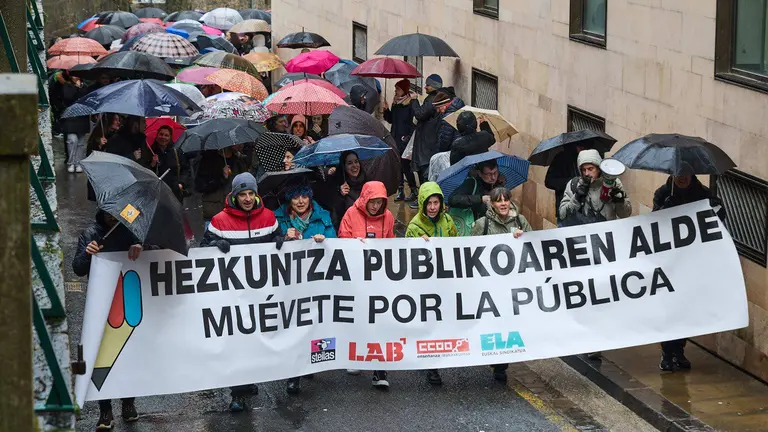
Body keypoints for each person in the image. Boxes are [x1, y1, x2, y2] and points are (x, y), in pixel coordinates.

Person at [199, 173, 283, 411]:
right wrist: (214, 245)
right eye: (242, 194)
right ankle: (236, 391)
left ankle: (247, 380)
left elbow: (276, 240)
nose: (247, 199)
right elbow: (203, 251)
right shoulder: (219, 221)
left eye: (250, 194)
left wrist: (279, 240)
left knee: (254, 336)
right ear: (234, 196)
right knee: (236, 339)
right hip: (232, 293)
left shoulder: (268, 217)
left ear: (256, 194)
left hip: (260, 292)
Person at [72, 210, 146, 430]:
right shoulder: (90, 234)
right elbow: (78, 268)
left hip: (128, 297)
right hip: (102, 303)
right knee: (102, 354)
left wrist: (142, 247)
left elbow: (155, 253)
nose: (112, 217)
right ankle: (105, 410)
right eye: (109, 213)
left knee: (128, 352)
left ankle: (128, 403)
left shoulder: (134, 232)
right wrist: (88, 253)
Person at [559, 149, 631, 360]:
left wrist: (619, 200)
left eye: (591, 168)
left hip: (605, 246)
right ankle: (583, 334)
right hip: (582, 246)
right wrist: (576, 198)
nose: (588, 172)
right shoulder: (573, 185)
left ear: (600, 168)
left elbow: (626, 212)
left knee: (601, 293)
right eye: (584, 169)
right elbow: (562, 213)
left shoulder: (613, 183)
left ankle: (597, 339)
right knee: (584, 292)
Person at [652, 173, 725, 371]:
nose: (682, 178)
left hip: (690, 262)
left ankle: (679, 350)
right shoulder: (663, 193)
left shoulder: (703, 194)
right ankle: (666, 352)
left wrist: (713, 208)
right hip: (669, 261)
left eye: (686, 174)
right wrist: (662, 209)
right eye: (679, 174)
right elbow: (652, 225)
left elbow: (719, 216)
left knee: (684, 309)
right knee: (670, 309)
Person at [274, 183, 336, 394]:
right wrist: (283, 237)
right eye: (295, 197)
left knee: (314, 325)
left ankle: (310, 362)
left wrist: (325, 241)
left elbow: (335, 244)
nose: (300, 201)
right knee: (294, 325)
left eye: (304, 196)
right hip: (289, 282)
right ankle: (295, 373)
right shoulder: (279, 219)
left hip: (316, 282)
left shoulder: (323, 216)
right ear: (288, 200)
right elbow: (268, 247)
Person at [470, 187, 530, 382]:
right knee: (493, 322)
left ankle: (501, 365)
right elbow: (470, 251)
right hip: (490, 284)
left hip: (512, 284)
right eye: (498, 200)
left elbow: (534, 245)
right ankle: (495, 358)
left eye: (506, 199)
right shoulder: (482, 224)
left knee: (507, 322)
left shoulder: (521, 221)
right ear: (492, 204)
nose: (503, 203)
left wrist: (524, 238)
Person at [338, 180, 394, 389]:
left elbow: (391, 243)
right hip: (357, 278)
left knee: (378, 322)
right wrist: (354, 246)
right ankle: (355, 358)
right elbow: (342, 239)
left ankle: (380, 370)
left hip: (379, 279)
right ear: (364, 198)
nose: (375, 206)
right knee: (358, 320)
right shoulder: (351, 214)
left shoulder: (387, 217)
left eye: (379, 202)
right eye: (372, 201)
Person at [405, 182, 458, 386]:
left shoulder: (448, 221)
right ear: (422, 204)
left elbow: (456, 244)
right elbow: (408, 254)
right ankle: (432, 366)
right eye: (429, 203)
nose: (433, 207)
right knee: (429, 323)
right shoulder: (414, 227)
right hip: (424, 284)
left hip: (444, 282)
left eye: (436, 202)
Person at [383, 79, 418, 202]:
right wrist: (386, 110)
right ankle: (400, 190)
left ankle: (414, 190)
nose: (395, 91)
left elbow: (414, 122)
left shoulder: (410, 104)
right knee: (397, 165)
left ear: (404, 90)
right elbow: (392, 119)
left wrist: (407, 137)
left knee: (405, 165)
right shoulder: (396, 103)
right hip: (395, 137)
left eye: (397, 89)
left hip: (404, 139)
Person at [195, 145, 250, 223]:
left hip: (235, 210)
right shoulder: (208, 160)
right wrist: (221, 176)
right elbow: (200, 186)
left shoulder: (239, 161)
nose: (240, 145)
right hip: (215, 210)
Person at [447, 159, 507, 231]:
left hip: (491, 229)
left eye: (495, 173)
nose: (493, 177)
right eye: (489, 174)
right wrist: (480, 199)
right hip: (473, 229)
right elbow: (453, 199)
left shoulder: (499, 185)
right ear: (480, 173)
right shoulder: (471, 183)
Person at [545, 145, 592, 225]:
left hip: (587, 211)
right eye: (580, 146)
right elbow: (549, 181)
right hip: (567, 208)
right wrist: (572, 182)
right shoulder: (561, 158)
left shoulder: (589, 158)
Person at [411, 74, 443, 186]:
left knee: (424, 170)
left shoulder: (431, 100)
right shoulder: (435, 98)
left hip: (426, 143)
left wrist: (414, 101)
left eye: (428, 85)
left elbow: (420, 114)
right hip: (429, 141)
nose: (425, 87)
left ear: (434, 86)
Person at [147, 125, 191, 203]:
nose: (163, 137)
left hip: (174, 193)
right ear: (157, 136)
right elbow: (146, 172)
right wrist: (153, 164)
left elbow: (186, 169)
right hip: (157, 193)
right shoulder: (150, 152)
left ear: (170, 137)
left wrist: (181, 184)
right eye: (161, 134)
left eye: (166, 135)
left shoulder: (176, 152)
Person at [57, 71, 90, 173]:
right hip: (70, 116)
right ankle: (71, 163)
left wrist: (79, 87)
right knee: (72, 140)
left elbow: (85, 98)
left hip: (82, 116)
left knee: (80, 142)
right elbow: (68, 97)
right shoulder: (67, 86)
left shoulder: (85, 86)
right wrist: (76, 87)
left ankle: (78, 162)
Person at [329, 150, 367, 228]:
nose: (354, 165)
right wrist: (340, 195)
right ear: (344, 166)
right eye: (349, 163)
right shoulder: (336, 183)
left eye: (356, 162)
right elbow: (335, 214)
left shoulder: (367, 181)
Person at [434, 88, 466, 154]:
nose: (437, 111)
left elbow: (445, 140)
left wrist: (439, 153)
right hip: (461, 144)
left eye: (438, 107)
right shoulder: (459, 105)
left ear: (444, 105)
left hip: (452, 149)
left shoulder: (447, 117)